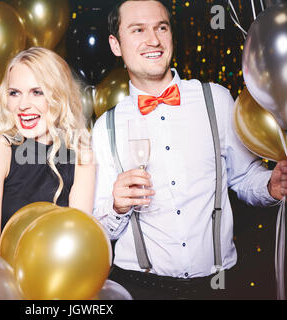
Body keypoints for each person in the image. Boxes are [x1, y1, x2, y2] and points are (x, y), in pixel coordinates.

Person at [92, 0, 287, 300]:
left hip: (218, 286)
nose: (153, 40)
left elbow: (244, 177)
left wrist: (269, 185)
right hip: (141, 288)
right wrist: (117, 207)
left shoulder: (217, 100)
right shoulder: (106, 127)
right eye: (138, 30)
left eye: (161, 27)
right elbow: (97, 231)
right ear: (115, 44)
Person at [0, 47, 95, 254]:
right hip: (3, 282)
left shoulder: (81, 154)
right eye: (14, 93)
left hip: (62, 280)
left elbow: (79, 245)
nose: (23, 105)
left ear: (59, 96)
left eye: (37, 92)